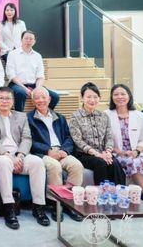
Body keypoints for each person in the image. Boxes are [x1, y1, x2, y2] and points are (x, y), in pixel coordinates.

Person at [0, 87, 50, 229]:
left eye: (8, 98)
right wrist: (9, 156)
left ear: (13, 101)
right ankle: (9, 208)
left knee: (37, 162)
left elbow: (27, 138)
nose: (4, 101)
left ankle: (39, 207)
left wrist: (20, 155)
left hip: (19, 154)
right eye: (1, 98)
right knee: (5, 162)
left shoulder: (21, 116)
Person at [27, 87, 84, 222]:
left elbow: (69, 138)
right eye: (37, 98)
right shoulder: (29, 118)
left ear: (49, 99)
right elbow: (29, 140)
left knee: (76, 166)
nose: (41, 100)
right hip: (43, 153)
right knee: (54, 166)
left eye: (43, 97)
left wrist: (64, 150)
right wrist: (47, 150)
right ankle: (55, 204)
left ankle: (69, 203)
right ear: (33, 101)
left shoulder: (60, 117)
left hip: (61, 151)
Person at [106, 84, 143, 210]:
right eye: (116, 94)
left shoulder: (139, 115)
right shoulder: (106, 115)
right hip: (118, 154)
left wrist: (137, 151)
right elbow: (105, 140)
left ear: (129, 96)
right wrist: (118, 151)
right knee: (134, 163)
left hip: (137, 152)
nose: (120, 97)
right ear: (112, 97)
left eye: (123, 94)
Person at [68, 82, 125, 186]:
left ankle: (119, 192)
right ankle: (101, 193)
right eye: (89, 97)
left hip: (103, 152)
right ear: (82, 98)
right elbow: (78, 141)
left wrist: (108, 152)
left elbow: (109, 137)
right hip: (84, 154)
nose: (92, 100)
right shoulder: (75, 117)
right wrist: (97, 154)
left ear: (99, 98)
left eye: (95, 97)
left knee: (115, 163)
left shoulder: (104, 116)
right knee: (100, 163)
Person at [6, 30, 59, 112]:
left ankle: (42, 115)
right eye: (26, 38)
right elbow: (11, 75)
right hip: (17, 85)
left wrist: (37, 89)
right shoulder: (12, 54)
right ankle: (19, 117)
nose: (28, 41)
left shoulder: (38, 56)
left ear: (34, 41)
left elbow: (40, 76)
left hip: (34, 85)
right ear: (21, 40)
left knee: (54, 96)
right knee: (21, 93)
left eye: (31, 39)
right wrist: (24, 88)